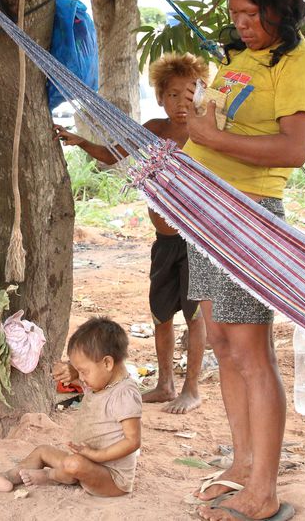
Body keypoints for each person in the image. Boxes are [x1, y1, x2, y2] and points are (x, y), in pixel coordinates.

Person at [185, 0, 305, 521]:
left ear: (276, 7)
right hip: (206, 211)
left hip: (250, 217)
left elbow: (294, 149)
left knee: (250, 351)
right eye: (234, 14)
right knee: (221, 342)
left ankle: (263, 492)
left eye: (249, 14)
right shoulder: (239, 59)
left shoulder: (299, 65)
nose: (240, 24)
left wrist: (212, 142)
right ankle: (243, 465)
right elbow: (210, 124)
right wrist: (197, 130)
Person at [55, 54, 210, 414]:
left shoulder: (206, 133)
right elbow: (113, 154)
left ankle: (192, 388)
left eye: (190, 94)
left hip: (197, 240)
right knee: (161, 313)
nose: (181, 103)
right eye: (172, 95)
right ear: (159, 97)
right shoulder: (154, 130)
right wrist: (79, 141)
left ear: (202, 94)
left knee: (195, 316)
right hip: (165, 240)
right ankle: (165, 383)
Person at [0, 317, 142, 497]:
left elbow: (132, 441)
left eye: (84, 371)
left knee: (74, 464)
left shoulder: (125, 394)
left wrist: (96, 456)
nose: (81, 378)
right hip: (86, 459)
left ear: (107, 363)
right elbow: (81, 376)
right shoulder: (99, 381)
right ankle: (7, 477)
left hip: (111, 478)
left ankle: (50, 476)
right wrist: (71, 370)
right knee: (42, 451)